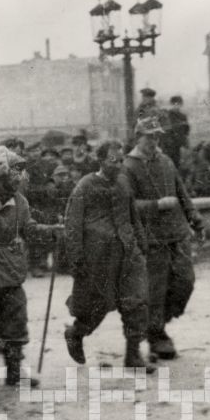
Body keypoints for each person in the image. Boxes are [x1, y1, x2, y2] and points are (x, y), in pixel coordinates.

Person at [0, 146, 61, 388]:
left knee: (16, 320)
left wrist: (52, 232)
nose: (20, 180)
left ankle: (14, 372)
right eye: (14, 174)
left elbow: (29, 228)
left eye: (21, 175)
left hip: (11, 268)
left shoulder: (20, 201)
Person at [63, 141, 154, 373]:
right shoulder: (85, 186)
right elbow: (72, 225)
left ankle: (133, 356)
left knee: (137, 300)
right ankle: (76, 333)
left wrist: (141, 243)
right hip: (99, 257)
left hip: (129, 252)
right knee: (99, 304)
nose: (119, 165)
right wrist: (76, 260)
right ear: (101, 161)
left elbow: (133, 215)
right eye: (113, 160)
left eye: (121, 160)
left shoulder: (124, 182)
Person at [122, 116, 204, 362]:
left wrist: (195, 219)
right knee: (155, 290)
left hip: (178, 233)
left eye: (157, 136)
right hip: (151, 238)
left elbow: (182, 191)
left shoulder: (166, 160)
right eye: (149, 137)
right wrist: (156, 205)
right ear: (138, 138)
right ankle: (157, 335)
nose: (154, 141)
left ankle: (157, 325)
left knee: (185, 281)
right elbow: (126, 205)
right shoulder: (128, 167)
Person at [162, 96, 191, 173]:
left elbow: (186, 130)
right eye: (174, 104)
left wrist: (185, 141)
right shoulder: (167, 115)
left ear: (181, 104)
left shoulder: (183, 116)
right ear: (171, 104)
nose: (176, 105)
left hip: (180, 143)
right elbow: (166, 129)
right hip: (170, 144)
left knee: (179, 163)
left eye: (178, 104)